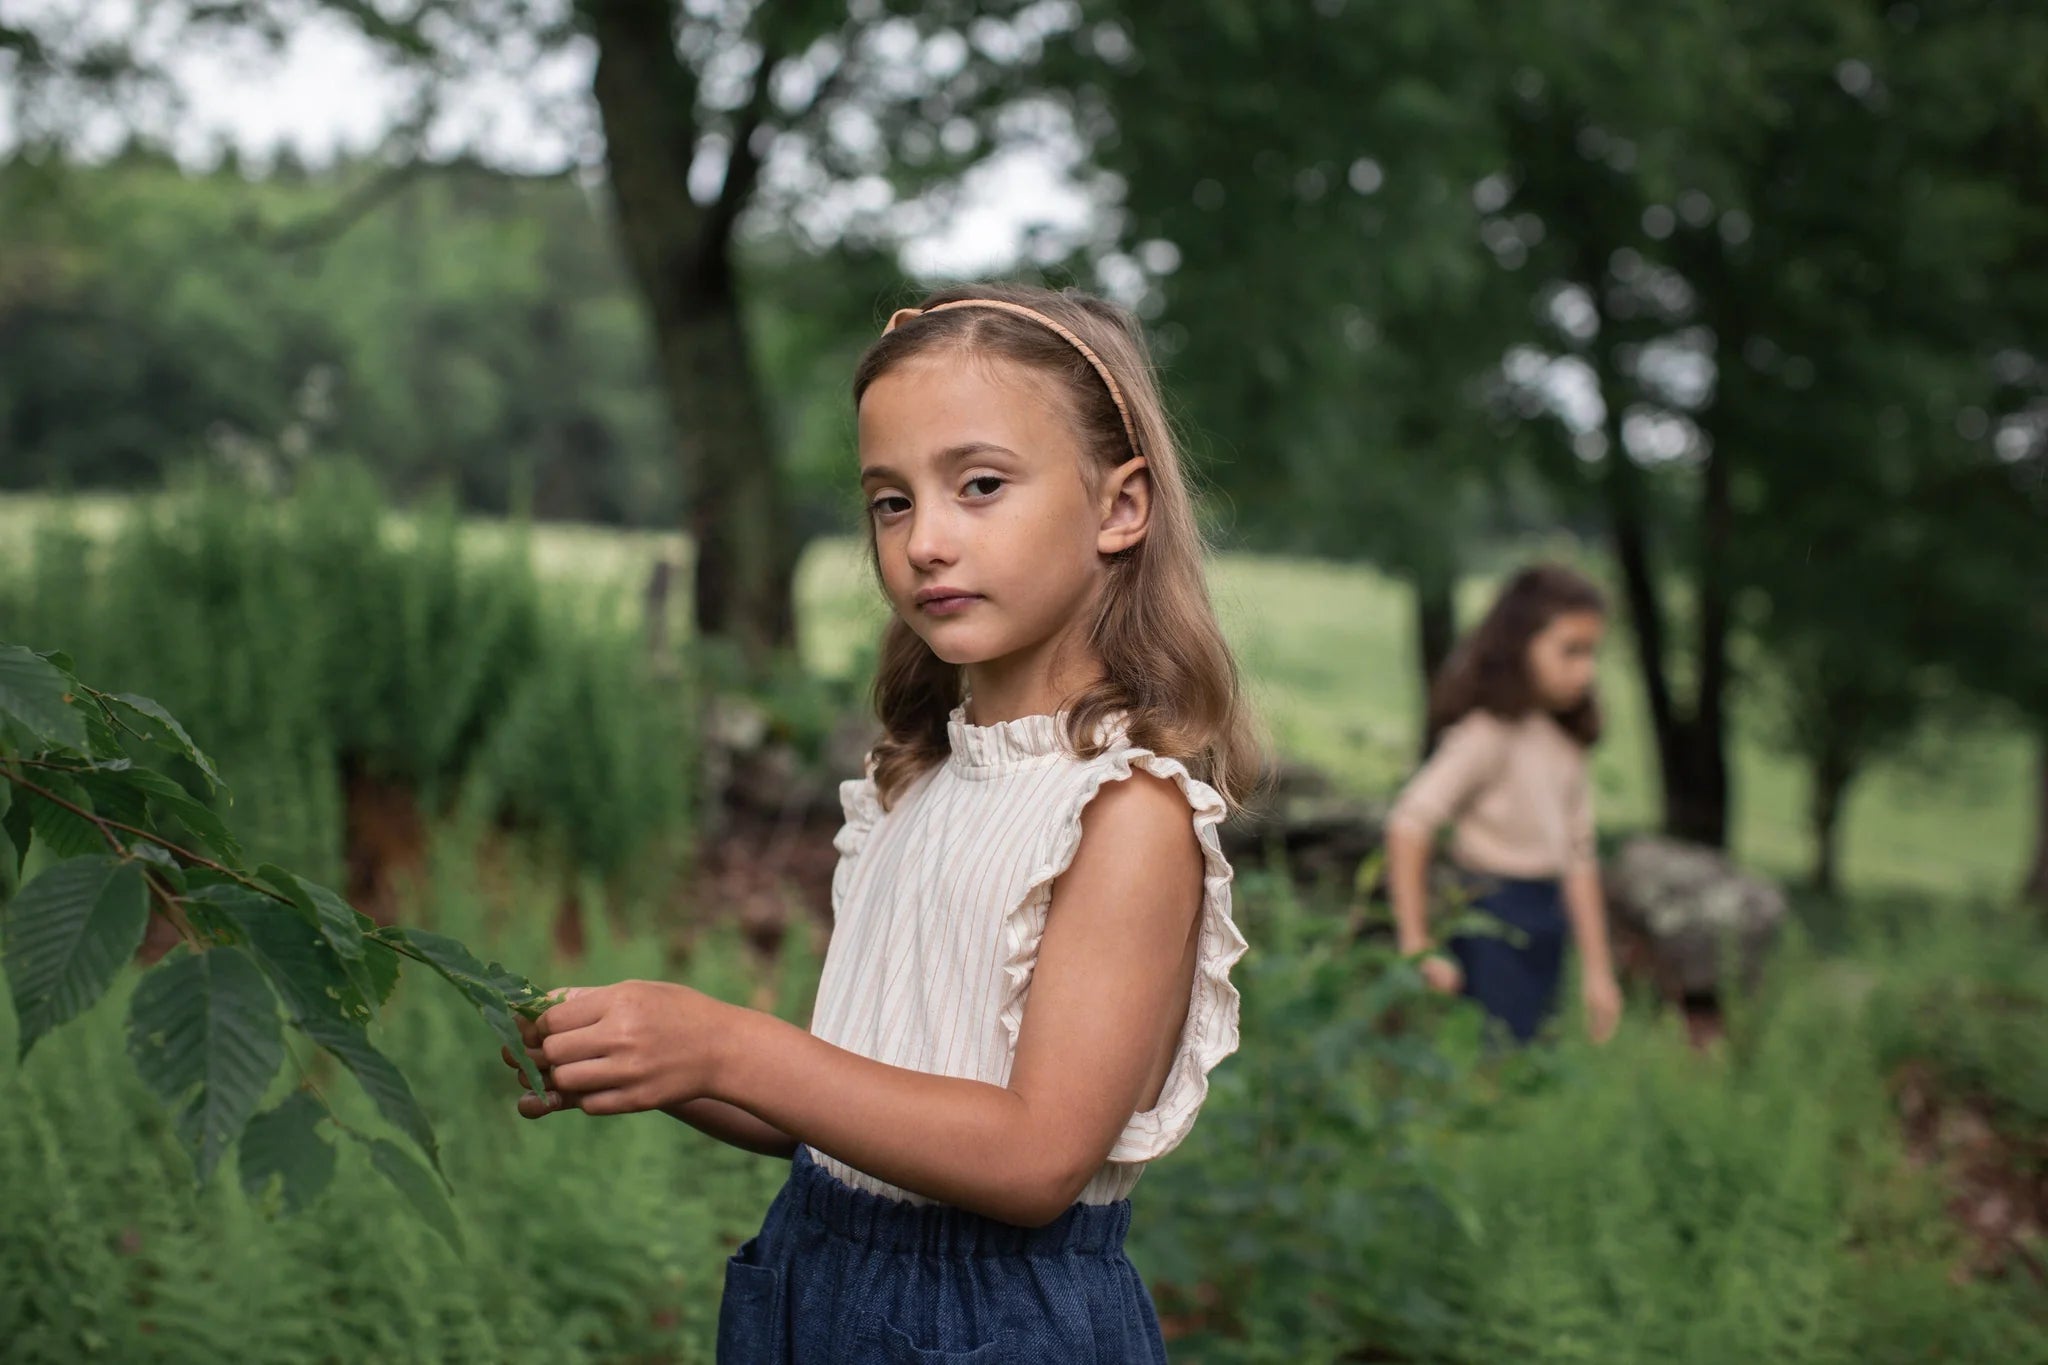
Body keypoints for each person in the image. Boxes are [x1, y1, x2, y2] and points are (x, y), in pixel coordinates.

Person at [506, 283, 1259, 1364]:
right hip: (815, 1279)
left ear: (1119, 507)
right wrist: (659, 1059)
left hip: (991, 1326)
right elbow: (849, 1119)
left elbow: (1035, 1160)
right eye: (890, 502)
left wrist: (727, 1042)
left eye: (980, 485)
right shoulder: (916, 785)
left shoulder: (1121, 811)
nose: (925, 542)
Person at [1385, 565, 1622, 1046]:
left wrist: (1598, 972)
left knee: (1532, 1054)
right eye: (1570, 651)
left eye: (1591, 653)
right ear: (1521, 645)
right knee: (1491, 1054)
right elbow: (1410, 823)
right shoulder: (1486, 735)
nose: (1586, 672)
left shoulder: (1565, 744)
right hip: (1490, 917)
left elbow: (1579, 855)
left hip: (1547, 918)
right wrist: (1416, 940)